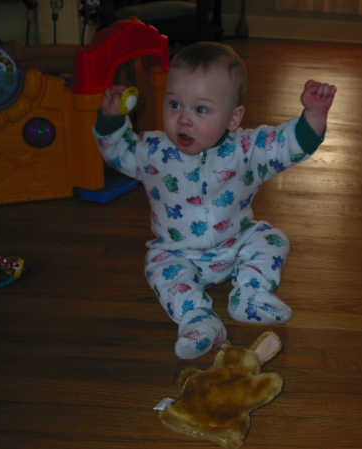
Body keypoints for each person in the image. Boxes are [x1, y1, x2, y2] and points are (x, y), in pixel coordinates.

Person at [94, 42, 336, 359]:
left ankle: (250, 295)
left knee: (272, 239)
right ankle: (199, 321)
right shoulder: (152, 151)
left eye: (201, 110)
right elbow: (118, 151)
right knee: (158, 266)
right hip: (178, 252)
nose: (183, 120)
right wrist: (111, 119)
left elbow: (285, 145)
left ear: (233, 118)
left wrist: (314, 115)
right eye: (174, 104)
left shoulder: (246, 150)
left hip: (235, 243)